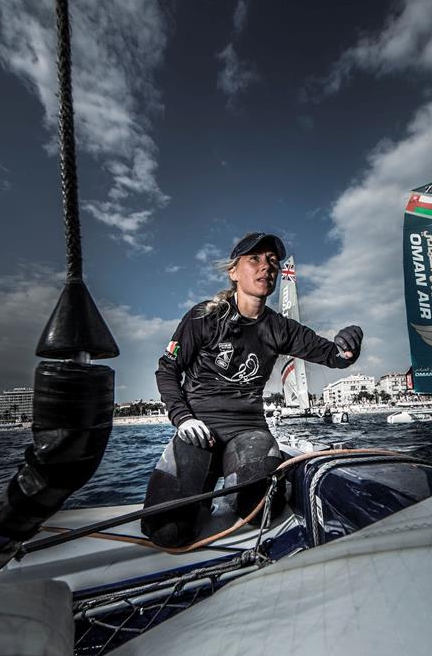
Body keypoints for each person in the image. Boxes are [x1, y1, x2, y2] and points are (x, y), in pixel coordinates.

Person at [142, 232, 363, 548]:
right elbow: (168, 369)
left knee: (261, 514)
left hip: (249, 434)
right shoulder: (204, 316)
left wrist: (349, 345)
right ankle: (201, 495)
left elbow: (332, 355)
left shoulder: (280, 328)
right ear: (234, 271)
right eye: (255, 259)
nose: (266, 267)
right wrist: (183, 418)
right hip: (198, 431)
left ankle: (237, 490)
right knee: (168, 532)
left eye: (272, 261)